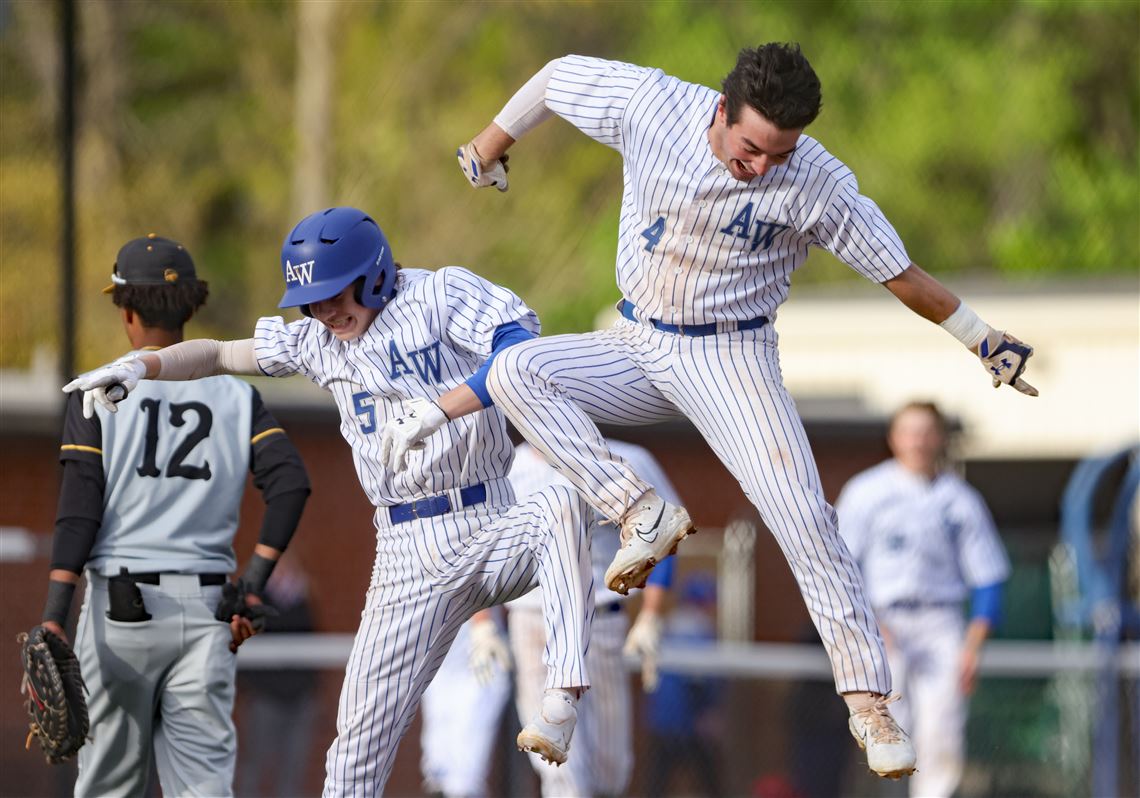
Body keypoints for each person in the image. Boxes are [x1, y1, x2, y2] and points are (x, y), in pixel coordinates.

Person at [449, 42, 1041, 778]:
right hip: (636, 338)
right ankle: (640, 509)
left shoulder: (816, 181)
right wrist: (491, 142)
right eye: (752, 146)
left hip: (732, 358)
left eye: (779, 154)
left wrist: (980, 338)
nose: (761, 166)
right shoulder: (655, 106)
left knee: (802, 515)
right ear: (721, 111)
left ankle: (868, 700)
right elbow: (560, 76)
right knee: (513, 370)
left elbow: (900, 272)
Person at [63, 206, 595, 796]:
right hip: (405, 552)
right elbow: (216, 354)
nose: (323, 310)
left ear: (373, 275)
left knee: (560, 503)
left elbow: (520, 346)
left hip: (489, 518)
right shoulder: (319, 342)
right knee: (353, 755)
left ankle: (562, 695)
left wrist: (448, 404)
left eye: (334, 293)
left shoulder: (437, 296)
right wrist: (143, 365)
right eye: (311, 299)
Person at [42, 234, 311, 797]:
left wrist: (54, 615)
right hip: (209, 611)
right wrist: (253, 586)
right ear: (191, 306)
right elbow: (290, 483)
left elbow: (79, 509)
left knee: (111, 787)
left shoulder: (99, 388)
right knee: (204, 787)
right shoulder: (238, 395)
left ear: (127, 310)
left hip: (121, 612)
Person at [836, 401, 1010, 798]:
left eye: (926, 431)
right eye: (909, 431)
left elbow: (988, 576)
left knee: (942, 727)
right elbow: (839, 567)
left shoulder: (959, 498)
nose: (917, 440)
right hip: (882, 620)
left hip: (940, 620)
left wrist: (973, 644)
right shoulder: (867, 490)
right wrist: (866, 626)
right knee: (885, 728)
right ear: (893, 437)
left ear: (940, 438)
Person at [506, 439, 677, 797]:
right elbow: (483, 550)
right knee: (559, 760)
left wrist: (650, 617)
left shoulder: (625, 458)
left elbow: (666, 532)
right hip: (534, 618)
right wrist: (481, 626)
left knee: (609, 769)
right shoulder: (506, 467)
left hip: (599, 617)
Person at [235, 556, 321, 798]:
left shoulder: (303, 598)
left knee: (293, 768)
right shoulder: (253, 601)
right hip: (264, 698)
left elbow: (313, 644)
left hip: (301, 698)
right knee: (254, 764)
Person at [417, 607, 512, 798]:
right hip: (443, 661)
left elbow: (480, 582)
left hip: (476, 660)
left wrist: (483, 620)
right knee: (439, 769)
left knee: (465, 774)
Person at [644, 572, 723, 798]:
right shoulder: (698, 627)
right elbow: (697, 681)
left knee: (656, 782)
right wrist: (707, 712)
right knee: (710, 781)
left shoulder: (668, 624)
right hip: (688, 721)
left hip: (662, 720)